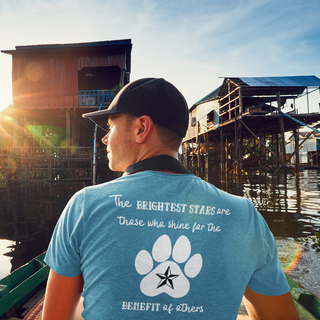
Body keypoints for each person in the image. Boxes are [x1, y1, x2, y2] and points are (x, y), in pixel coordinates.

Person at [42, 78, 299, 320]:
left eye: (110, 126)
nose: (104, 138)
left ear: (141, 128)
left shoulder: (86, 205)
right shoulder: (243, 214)